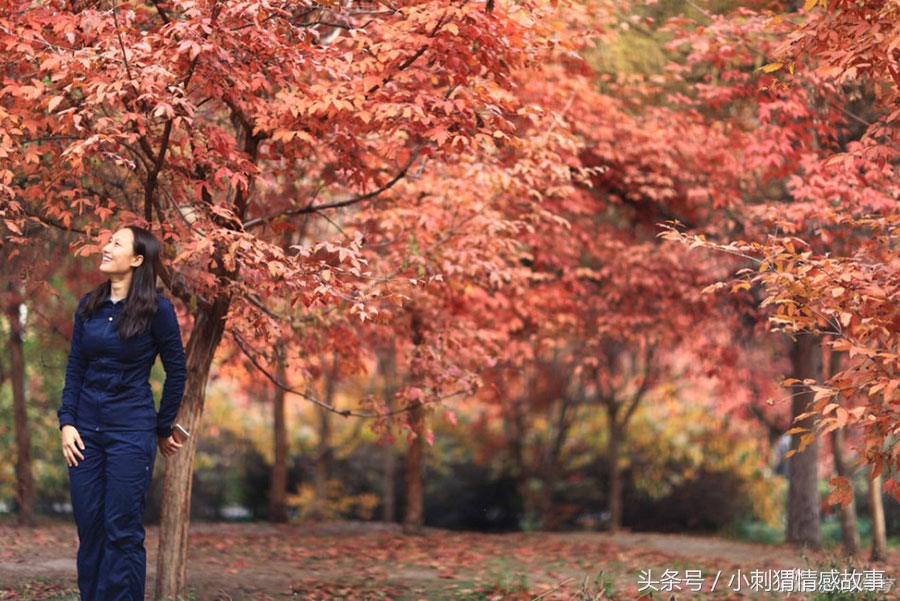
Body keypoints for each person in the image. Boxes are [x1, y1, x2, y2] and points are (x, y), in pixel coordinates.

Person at [58, 224, 187, 600]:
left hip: (131, 433)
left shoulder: (157, 310)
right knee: (91, 530)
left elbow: (177, 369)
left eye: (116, 243)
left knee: (122, 532)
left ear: (136, 259)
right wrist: (66, 422)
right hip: (84, 437)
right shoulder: (89, 305)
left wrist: (162, 427)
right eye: (108, 240)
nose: (106, 246)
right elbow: (75, 367)